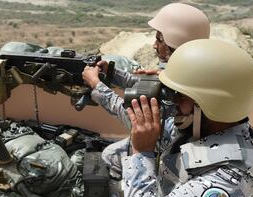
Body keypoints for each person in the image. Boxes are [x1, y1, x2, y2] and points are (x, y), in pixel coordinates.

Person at [123, 39, 253, 197]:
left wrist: (141, 154)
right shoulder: (215, 131)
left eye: (180, 96)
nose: (174, 102)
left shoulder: (226, 185)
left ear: (208, 105)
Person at [82, 3, 210, 179]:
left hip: (173, 155)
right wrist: (111, 73)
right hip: (171, 144)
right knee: (110, 154)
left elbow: (136, 120)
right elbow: (147, 84)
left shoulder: (183, 91)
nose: (154, 45)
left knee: (111, 158)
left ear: (174, 44)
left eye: (159, 39)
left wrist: (97, 85)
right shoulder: (192, 69)